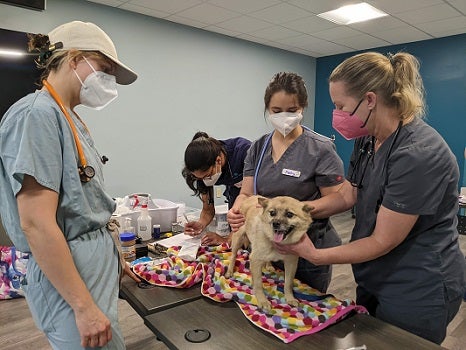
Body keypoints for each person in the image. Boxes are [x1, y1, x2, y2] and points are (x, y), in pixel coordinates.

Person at [273, 52, 466, 344]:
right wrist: (293, 210)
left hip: (417, 285)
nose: (335, 114)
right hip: (374, 274)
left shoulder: (418, 154)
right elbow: (349, 194)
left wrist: (315, 254)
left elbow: (382, 240)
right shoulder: (368, 136)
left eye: (340, 106)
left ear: (370, 100)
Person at [0, 21, 139, 349]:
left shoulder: (67, 117)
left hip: (90, 261)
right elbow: (36, 223)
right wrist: (84, 307)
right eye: (104, 68)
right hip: (68, 269)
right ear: (75, 59)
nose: (108, 81)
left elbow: (84, 202)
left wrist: (112, 258)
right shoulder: (36, 116)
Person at [227, 72, 345, 293]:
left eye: (292, 111)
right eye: (276, 111)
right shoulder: (258, 148)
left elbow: (339, 199)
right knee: (271, 312)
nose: (284, 116)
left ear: (302, 108)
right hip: (269, 243)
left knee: (304, 313)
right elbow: (247, 193)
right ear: (267, 109)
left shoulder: (320, 148)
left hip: (307, 247)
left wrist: (295, 211)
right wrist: (237, 208)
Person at [182, 131, 251, 246]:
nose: (205, 180)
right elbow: (208, 209)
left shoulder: (244, 153)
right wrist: (201, 224)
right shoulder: (202, 171)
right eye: (200, 178)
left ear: (218, 161)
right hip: (235, 194)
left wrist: (226, 240)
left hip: (256, 200)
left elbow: (253, 201)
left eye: (208, 176)